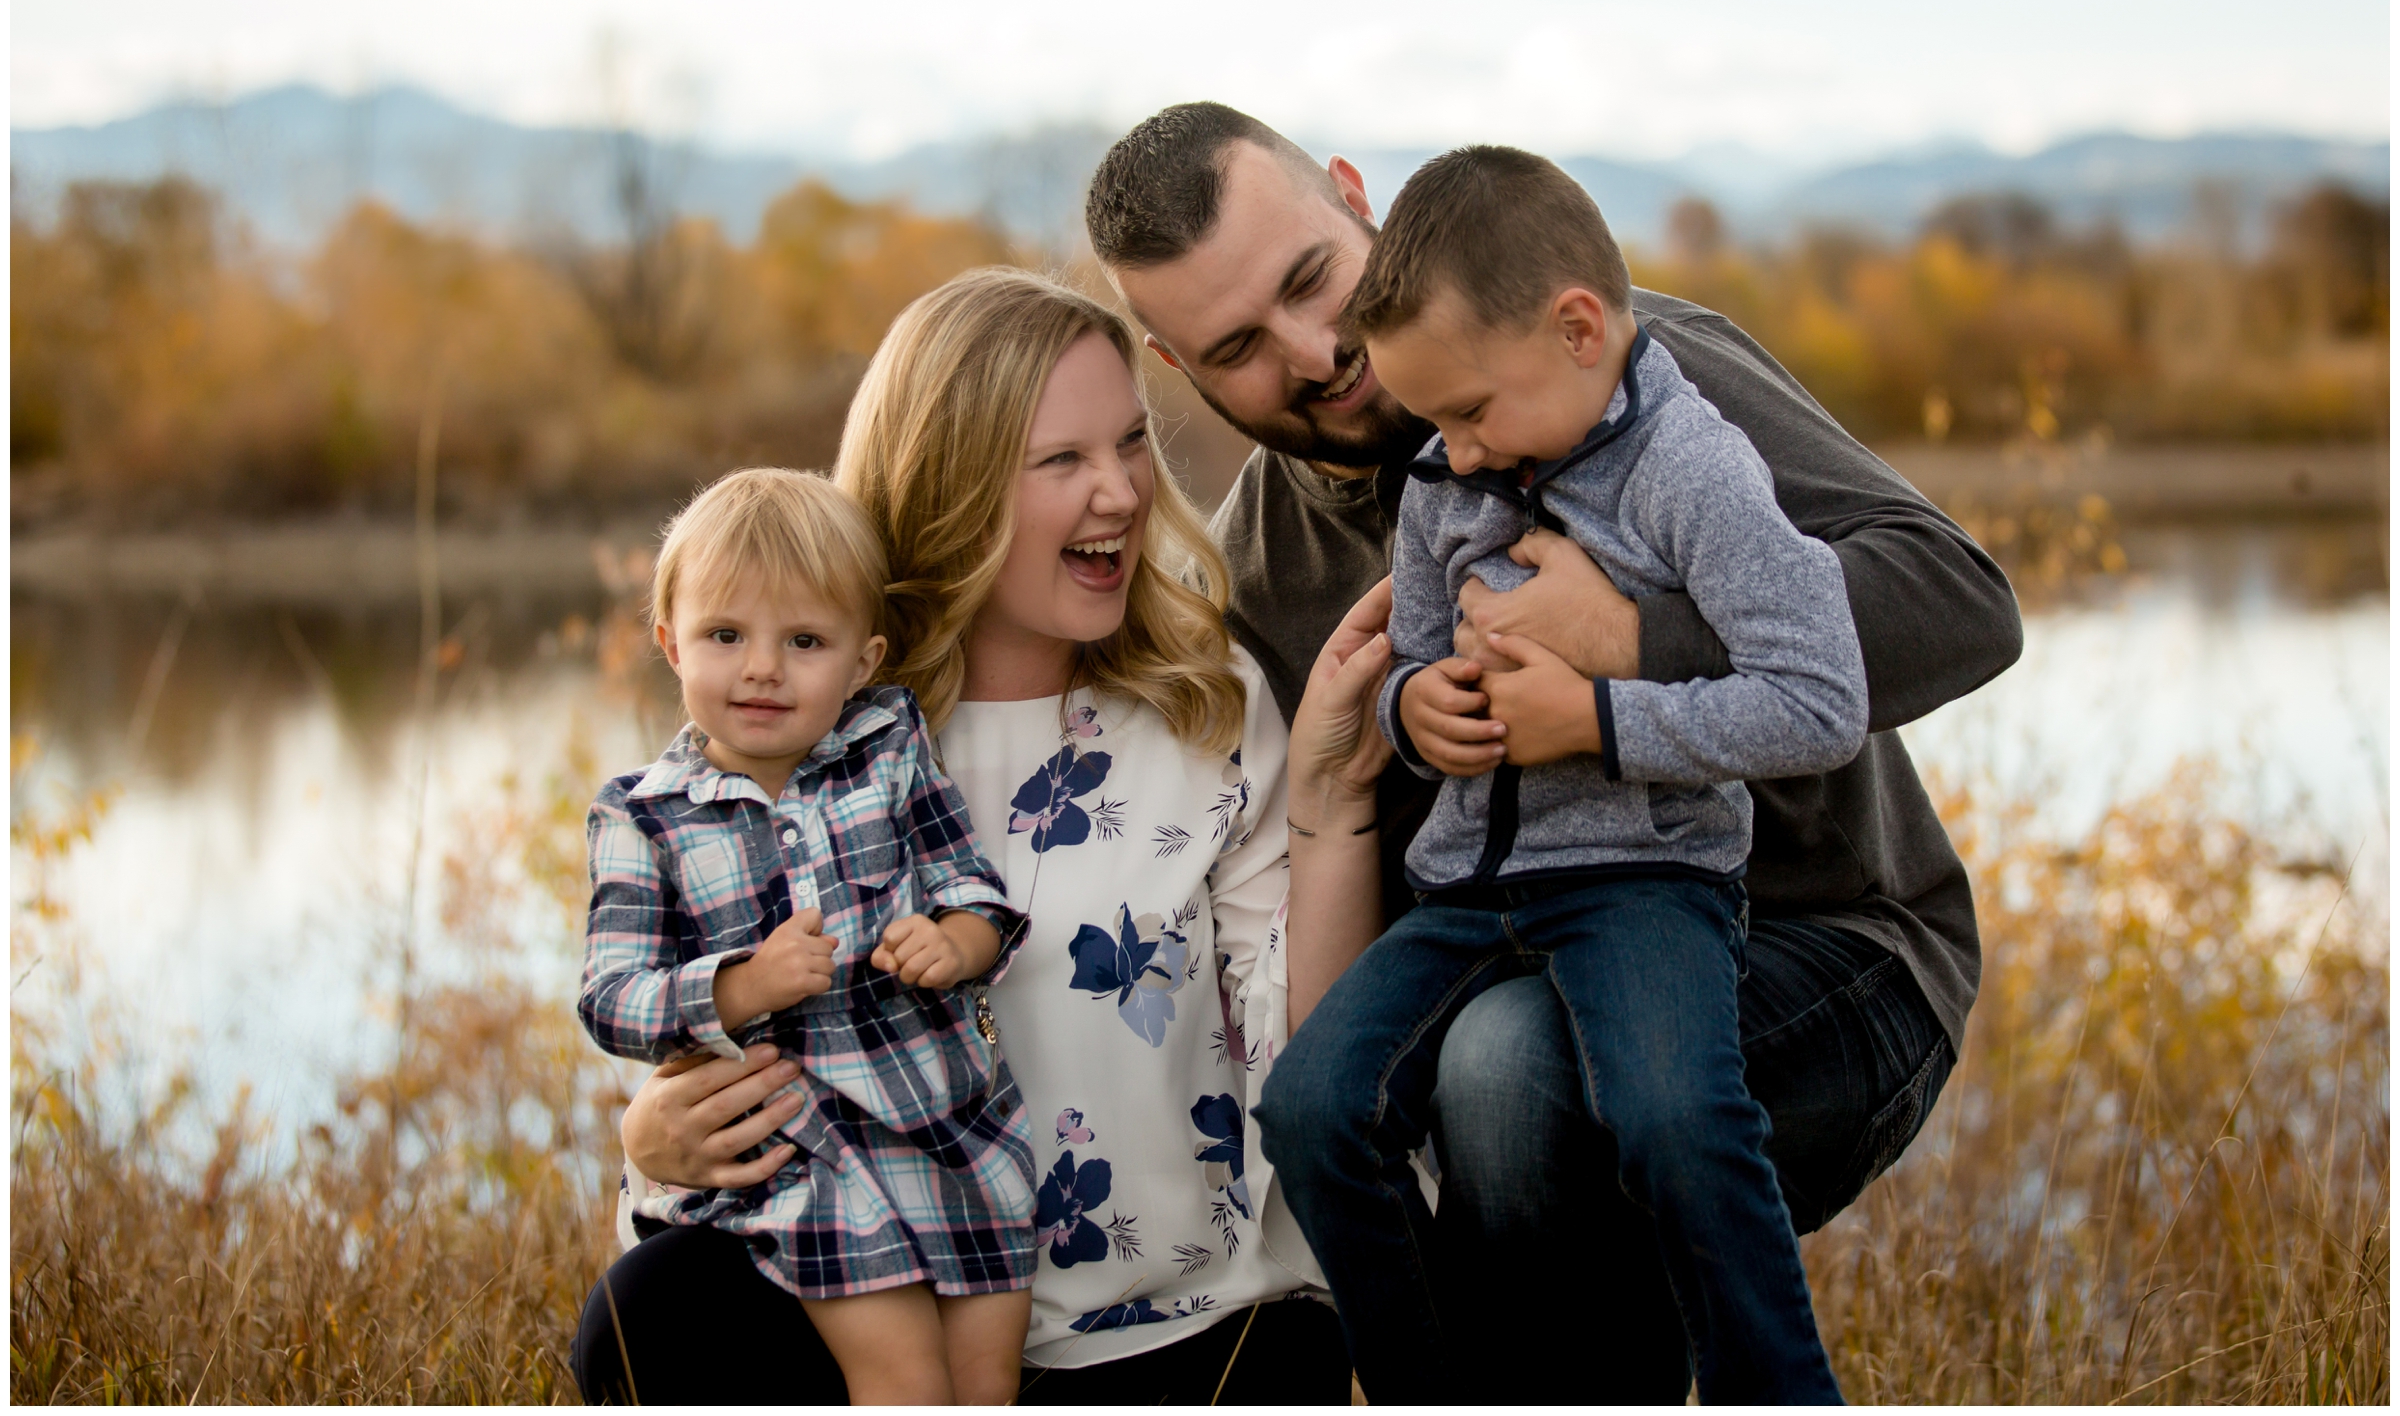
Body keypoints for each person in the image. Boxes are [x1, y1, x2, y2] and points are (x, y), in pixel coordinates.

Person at [1083, 102, 2023, 1400]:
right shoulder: (1255, 578)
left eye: (1311, 279)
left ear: (1357, 197)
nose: (1317, 350)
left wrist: (1636, 636)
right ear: (1175, 366)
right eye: (1239, 345)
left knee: (1513, 1060)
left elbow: (1961, 601)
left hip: (1834, 949)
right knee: (1394, 1091)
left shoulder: (1626, 369)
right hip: (1516, 967)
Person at [571, 268, 1395, 1404]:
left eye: (1130, 444)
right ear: (951, 483)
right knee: (649, 1308)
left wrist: (1335, 802)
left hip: (1170, 1329)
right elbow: (702, 1004)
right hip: (881, 1310)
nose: (1120, 493)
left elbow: (1305, 1049)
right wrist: (651, 1133)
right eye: (1061, 461)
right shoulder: (818, 720)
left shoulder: (1206, 708)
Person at [1257, 144, 1865, 1401]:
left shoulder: (1694, 468)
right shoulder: (1439, 479)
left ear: (1579, 328)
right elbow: (1415, 665)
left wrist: (1597, 715)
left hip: (1644, 877)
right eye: (1440, 424)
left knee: (1674, 1123)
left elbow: (1822, 702)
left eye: (1475, 411)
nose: (1461, 454)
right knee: (1310, 1108)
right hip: (1471, 889)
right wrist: (1420, 709)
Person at [577, 467, 1037, 1403]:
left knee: (988, 1380)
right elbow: (612, 997)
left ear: (863, 659)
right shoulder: (643, 814)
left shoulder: (890, 745)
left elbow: (971, 883)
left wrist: (956, 941)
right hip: (808, 1154)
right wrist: (741, 986)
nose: (761, 667)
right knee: (905, 1379)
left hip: (949, 1121)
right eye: (725, 634)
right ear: (670, 643)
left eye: (804, 640)